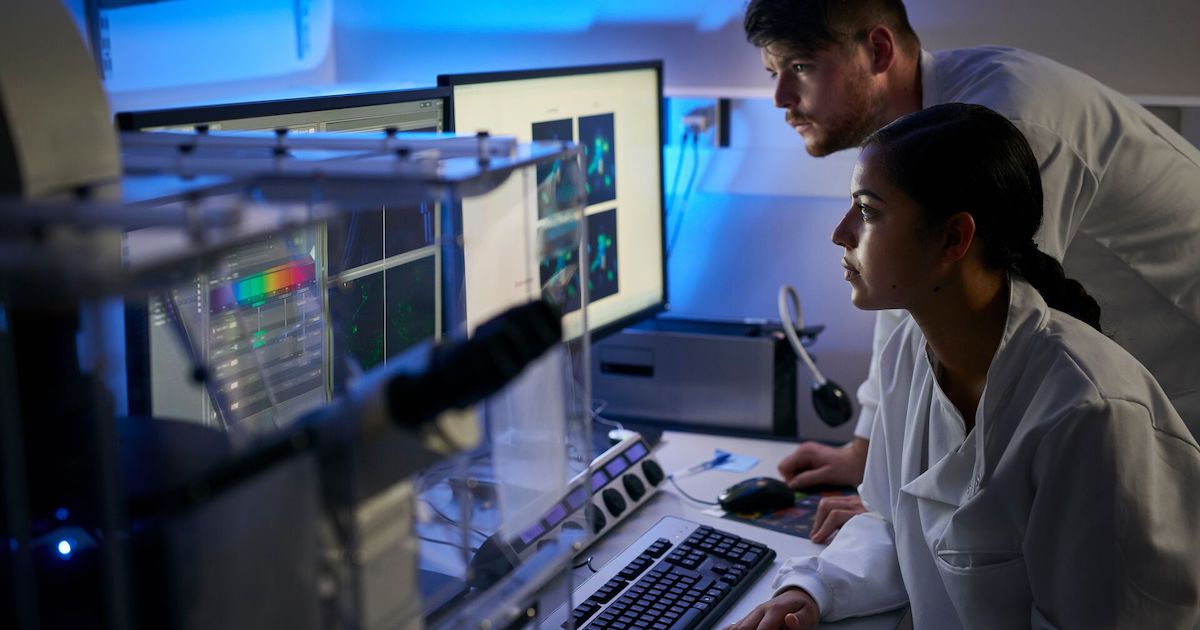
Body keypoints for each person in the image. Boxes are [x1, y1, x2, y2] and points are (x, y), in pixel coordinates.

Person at [731, 102, 1200, 630]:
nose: (841, 233)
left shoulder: (1090, 414)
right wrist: (813, 589)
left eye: (867, 211)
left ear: (954, 238)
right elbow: (890, 521)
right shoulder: (910, 348)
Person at [746, 0, 1200, 541]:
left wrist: (896, 511)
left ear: (878, 51)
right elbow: (911, 299)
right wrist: (870, 457)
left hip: (1174, 387)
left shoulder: (1005, 128)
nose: (780, 98)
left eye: (799, 67)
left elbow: (1004, 342)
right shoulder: (917, 144)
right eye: (773, 73)